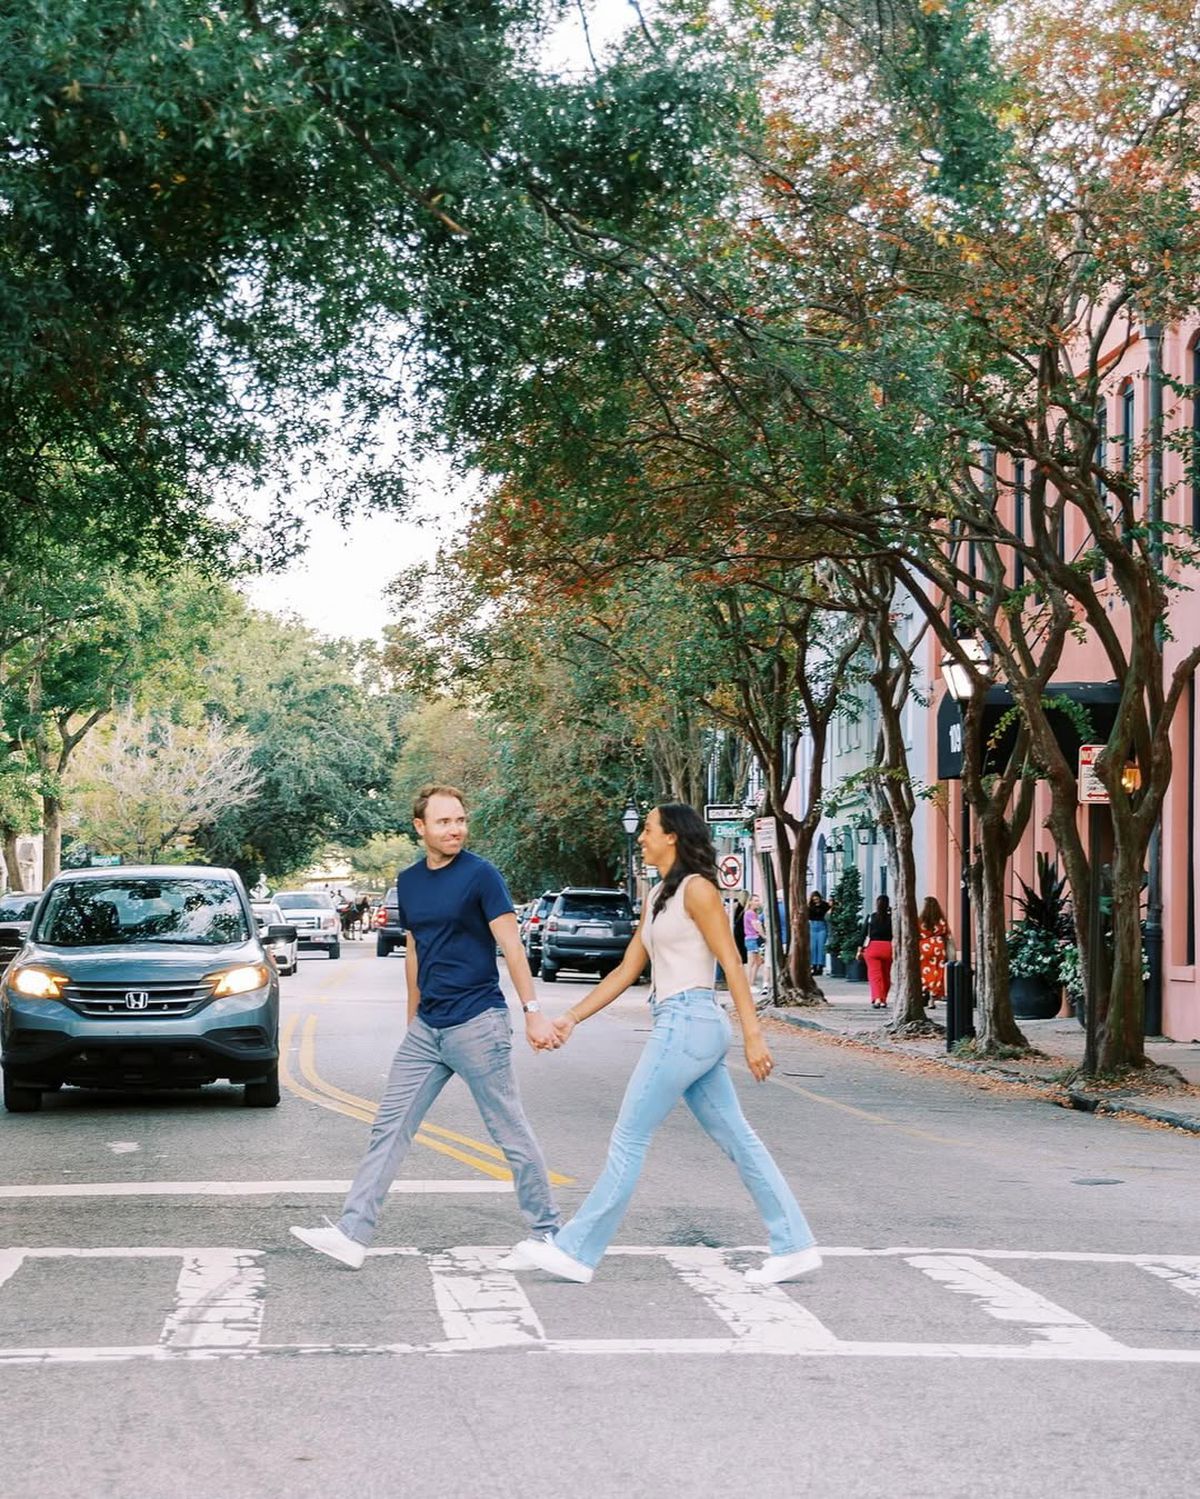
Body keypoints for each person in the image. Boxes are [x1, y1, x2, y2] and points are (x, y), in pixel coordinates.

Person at [509, 803, 819, 1287]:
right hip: (681, 1023)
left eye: (647, 830)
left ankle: (575, 1250)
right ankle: (795, 1246)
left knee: (629, 1136)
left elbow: (732, 962)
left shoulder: (698, 890)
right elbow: (627, 969)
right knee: (739, 1140)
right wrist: (571, 1018)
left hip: (689, 1021)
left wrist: (753, 1036)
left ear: (672, 836)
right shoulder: (658, 894)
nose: (641, 838)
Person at [290, 783, 562, 1269]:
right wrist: (412, 1019)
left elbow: (513, 947)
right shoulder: (410, 882)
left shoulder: (482, 876)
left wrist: (533, 1010)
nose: (455, 829)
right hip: (428, 1027)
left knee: (509, 1132)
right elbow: (415, 950)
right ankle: (353, 1234)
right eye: (443, 821)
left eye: (459, 820)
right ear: (420, 828)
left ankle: (549, 1235)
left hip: (478, 1021)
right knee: (388, 1128)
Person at [858, 894, 894, 1009]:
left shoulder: (871, 917)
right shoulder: (892, 918)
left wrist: (859, 950)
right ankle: (884, 999)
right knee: (886, 975)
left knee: (874, 975)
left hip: (873, 947)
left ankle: (877, 998)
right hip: (888, 947)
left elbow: (863, 934)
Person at [918, 896, 950, 1007]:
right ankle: (933, 996)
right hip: (938, 946)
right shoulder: (941, 920)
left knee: (925, 971)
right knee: (937, 971)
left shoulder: (921, 920)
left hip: (924, 947)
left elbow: (917, 933)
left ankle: (924, 990)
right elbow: (946, 933)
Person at [743, 893, 765, 992]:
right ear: (750, 902)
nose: (758, 902)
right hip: (752, 938)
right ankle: (749, 984)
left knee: (758, 961)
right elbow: (756, 926)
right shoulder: (750, 913)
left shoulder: (752, 913)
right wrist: (764, 935)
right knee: (752, 962)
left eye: (758, 900)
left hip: (752, 938)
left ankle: (751, 982)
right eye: (755, 900)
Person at [807, 890, 830, 975]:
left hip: (821, 926)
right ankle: (813, 965)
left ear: (820, 898)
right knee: (813, 947)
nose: (816, 901)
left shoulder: (825, 905)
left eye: (817, 899)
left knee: (821, 947)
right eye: (814, 899)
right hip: (813, 926)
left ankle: (820, 966)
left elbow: (829, 911)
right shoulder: (810, 906)